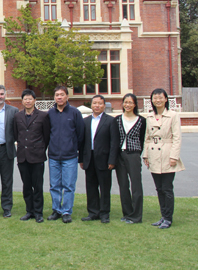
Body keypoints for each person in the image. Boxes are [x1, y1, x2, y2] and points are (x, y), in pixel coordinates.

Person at [143, 88, 185, 229]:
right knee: (159, 189)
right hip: (153, 154)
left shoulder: (173, 115)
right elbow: (147, 138)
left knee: (167, 188)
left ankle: (168, 218)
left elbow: (177, 138)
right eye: (155, 98)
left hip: (167, 153)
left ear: (166, 99)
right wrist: (145, 155)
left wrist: (174, 156)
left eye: (161, 97)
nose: (158, 100)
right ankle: (163, 216)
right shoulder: (149, 116)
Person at [47, 86, 85, 224]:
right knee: (54, 185)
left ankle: (67, 211)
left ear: (67, 97)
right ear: (54, 97)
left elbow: (80, 134)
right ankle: (56, 210)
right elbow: (47, 133)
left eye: (62, 94)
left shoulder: (75, 113)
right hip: (54, 156)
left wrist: (75, 150)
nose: (59, 97)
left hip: (70, 156)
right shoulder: (50, 113)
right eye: (57, 95)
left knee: (68, 185)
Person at [80, 95, 119, 223]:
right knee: (91, 187)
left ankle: (104, 213)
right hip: (89, 158)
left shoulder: (110, 121)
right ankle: (93, 212)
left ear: (104, 105)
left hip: (104, 159)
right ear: (91, 105)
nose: (97, 106)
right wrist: (81, 159)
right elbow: (82, 142)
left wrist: (112, 160)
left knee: (105, 187)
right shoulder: (85, 121)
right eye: (95, 103)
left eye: (100, 103)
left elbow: (114, 142)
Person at [13, 89, 50, 223]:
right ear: (22, 101)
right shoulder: (17, 116)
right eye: (25, 99)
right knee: (26, 186)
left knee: (38, 186)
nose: (28, 101)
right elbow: (16, 135)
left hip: (37, 156)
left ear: (34, 100)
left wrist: (39, 149)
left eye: (30, 99)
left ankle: (38, 212)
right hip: (23, 156)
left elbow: (46, 136)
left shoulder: (43, 116)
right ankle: (29, 211)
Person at [114, 93, 146, 224]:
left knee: (136, 185)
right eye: (125, 102)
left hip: (133, 155)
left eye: (130, 102)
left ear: (135, 105)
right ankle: (127, 213)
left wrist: (138, 153)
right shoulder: (117, 119)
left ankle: (136, 215)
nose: (127, 105)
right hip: (120, 155)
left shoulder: (141, 120)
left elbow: (142, 139)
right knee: (123, 185)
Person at [0, 84, 18, 218]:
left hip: (7, 149)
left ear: (5, 95)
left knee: (7, 180)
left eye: (1, 94)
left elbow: (17, 130)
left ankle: (7, 207)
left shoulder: (14, 111)